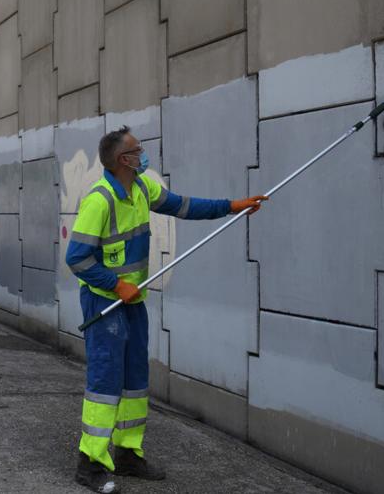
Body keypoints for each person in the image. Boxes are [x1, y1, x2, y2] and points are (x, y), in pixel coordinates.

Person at [66, 126, 267, 493]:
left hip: (133, 301)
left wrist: (231, 206)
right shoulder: (100, 200)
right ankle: (90, 462)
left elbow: (182, 206)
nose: (143, 154)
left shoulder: (142, 189)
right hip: (104, 303)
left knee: (134, 380)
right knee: (105, 382)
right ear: (122, 160)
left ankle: (128, 454)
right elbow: (76, 258)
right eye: (137, 150)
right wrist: (115, 285)